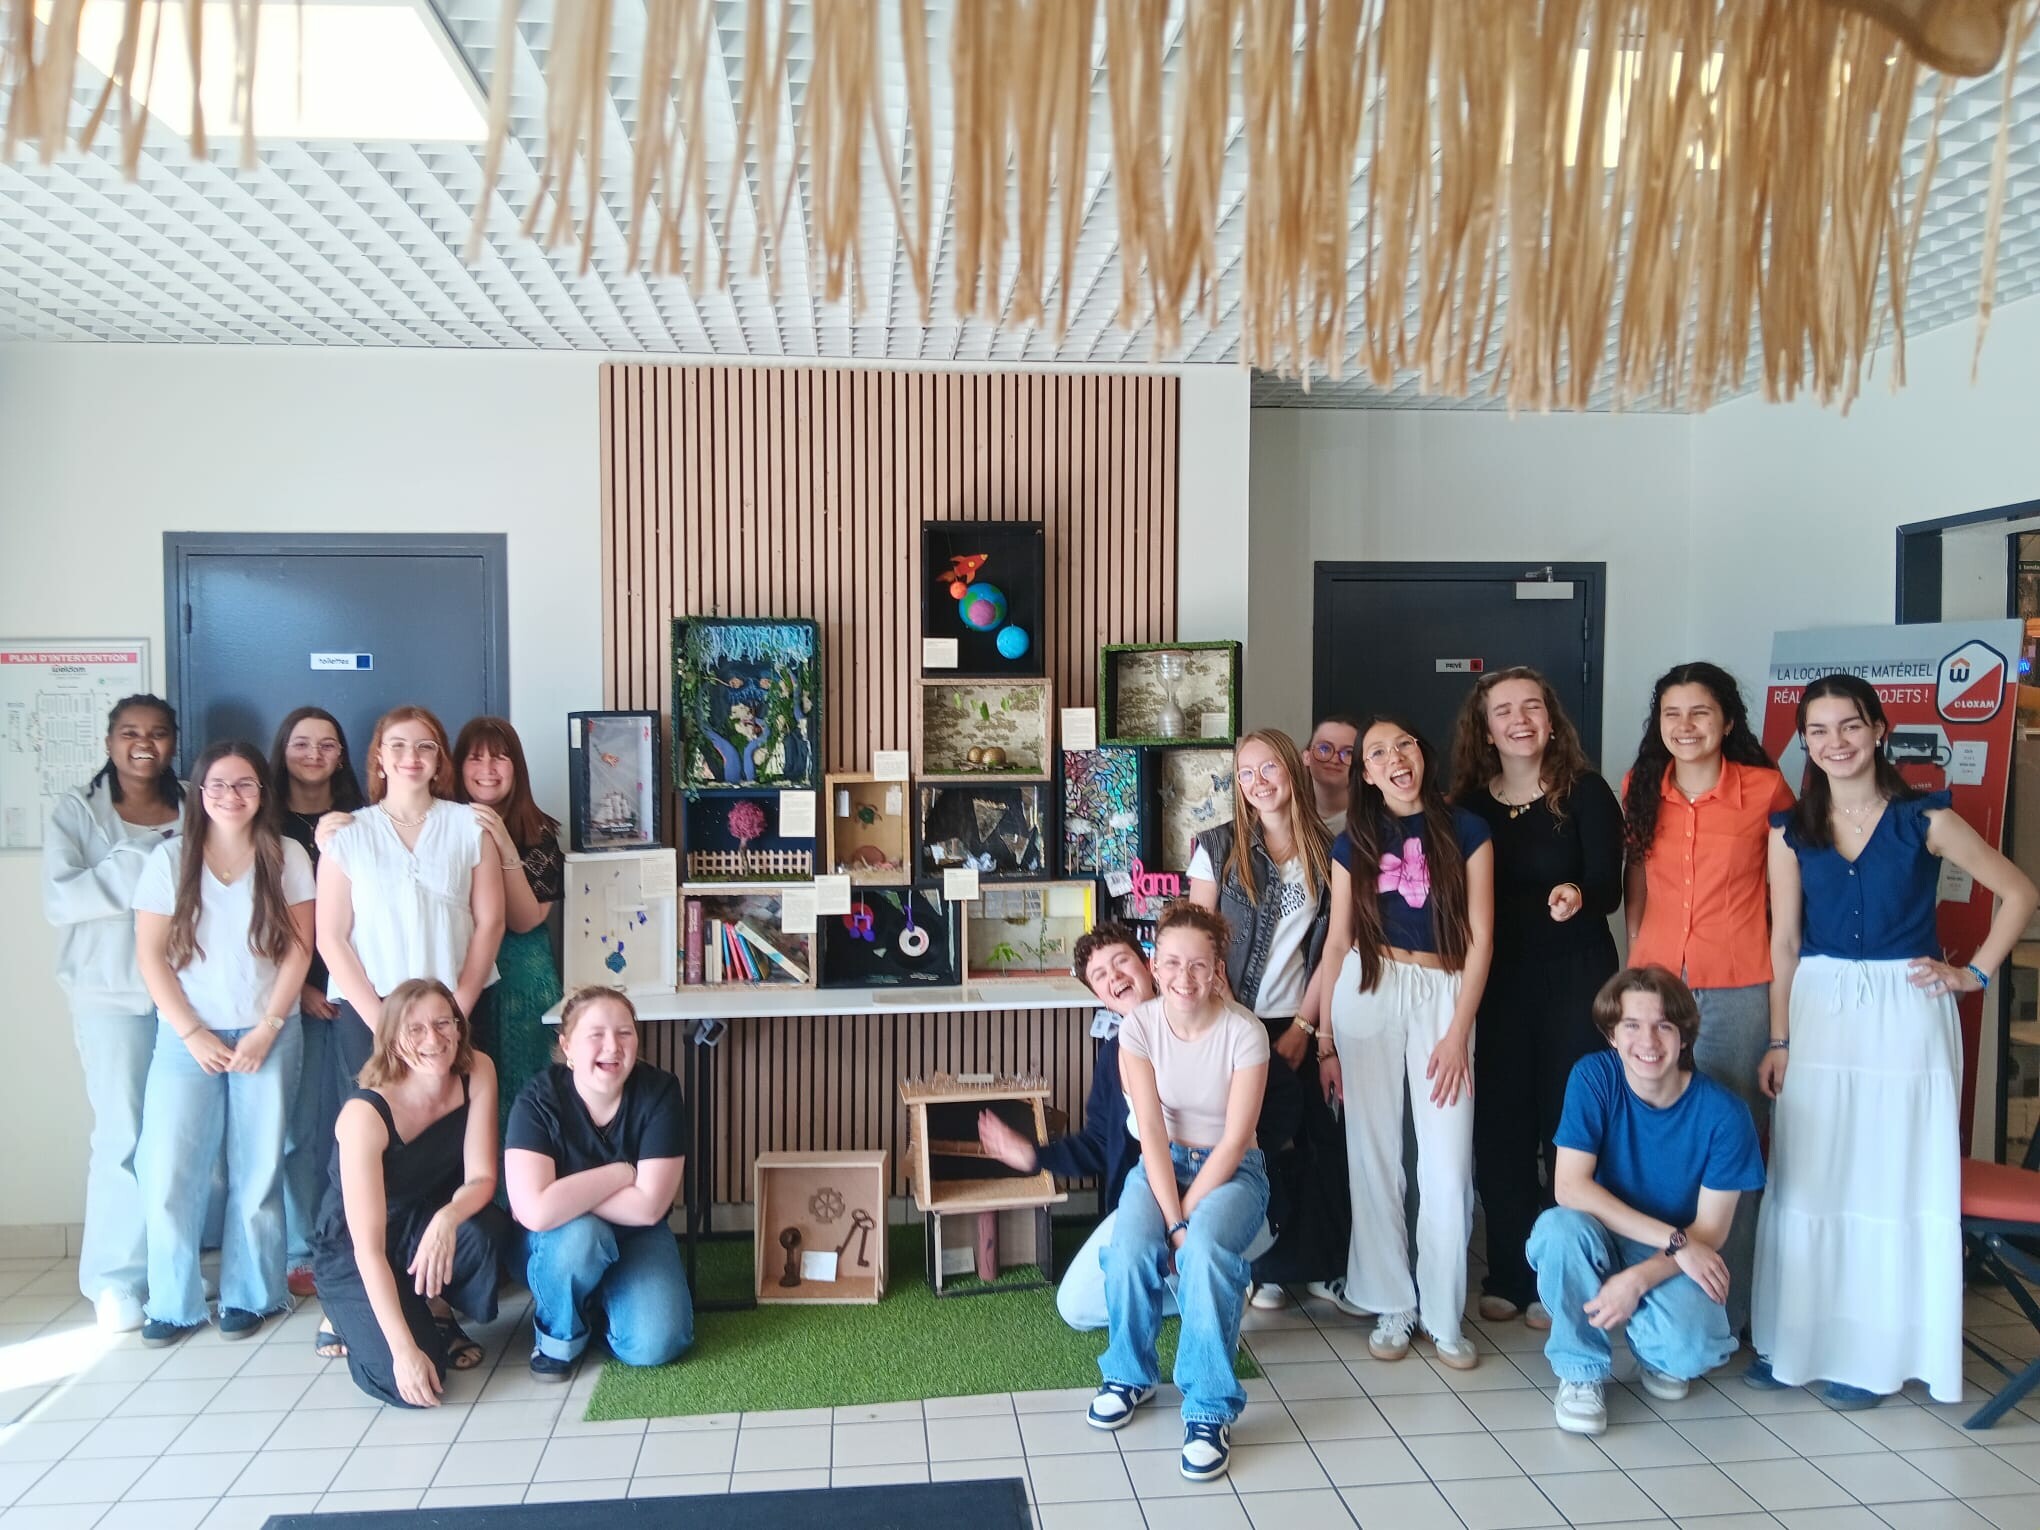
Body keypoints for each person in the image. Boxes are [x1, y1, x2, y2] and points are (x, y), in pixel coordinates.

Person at [1751, 675, 2038, 1406]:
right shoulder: (1790, 830)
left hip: (1906, 1012)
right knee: (1814, 1174)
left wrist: (1973, 973)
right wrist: (1780, 1039)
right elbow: (1784, 943)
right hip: (1819, 1006)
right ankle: (1797, 1340)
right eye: (1818, 730)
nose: (1835, 742)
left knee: (1890, 1176)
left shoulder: (1924, 819)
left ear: (1878, 730)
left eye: (1849, 726)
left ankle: (1875, 1354)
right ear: (1805, 742)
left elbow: (2020, 893)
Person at [1310, 715, 1493, 1370]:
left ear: (1422, 753)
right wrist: (1325, 1040)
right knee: (1373, 1154)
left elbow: (1482, 939)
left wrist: (1458, 1031)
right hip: (1369, 985)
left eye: (1404, 745)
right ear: (1365, 772)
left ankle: (1444, 1313)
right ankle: (1392, 1301)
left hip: (1445, 993)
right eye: (1378, 752)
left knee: (1447, 1163)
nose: (1395, 758)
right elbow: (1337, 943)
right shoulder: (1353, 840)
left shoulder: (1467, 829)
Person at [1620, 661, 1790, 1340]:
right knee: (1654, 1139)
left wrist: (1779, 1034)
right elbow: (1636, 889)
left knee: (1733, 1147)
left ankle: (1729, 1313)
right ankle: (1660, 1302)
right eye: (1672, 714)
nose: (1685, 726)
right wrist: (1635, 970)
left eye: (1700, 713)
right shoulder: (1640, 787)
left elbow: (1785, 910)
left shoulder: (1765, 790)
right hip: (1655, 992)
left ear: (1727, 721)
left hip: (1737, 988)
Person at [1451, 667, 1622, 1328]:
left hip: (1576, 979)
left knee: (1567, 1126)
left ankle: (1560, 1276)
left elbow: (1609, 885)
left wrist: (1578, 893)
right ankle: (1507, 1271)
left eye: (1531, 707)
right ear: (1486, 729)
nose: (1519, 720)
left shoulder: (1585, 792)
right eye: (1503, 711)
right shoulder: (1469, 805)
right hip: (1498, 984)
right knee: (1501, 1128)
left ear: (1551, 720)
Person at [1529, 967, 1764, 1436]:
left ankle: (1652, 1349)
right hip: (1599, 1235)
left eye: (1663, 1026)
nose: (1648, 1041)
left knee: (1691, 1351)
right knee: (1558, 1230)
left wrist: (1638, 1279)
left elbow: (1711, 1231)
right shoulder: (1594, 1077)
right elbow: (1569, 1188)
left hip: (1666, 1255)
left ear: (1685, 1036)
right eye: (1632, 1026)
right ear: (1612, 1035)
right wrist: (1678, 1241)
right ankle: (1580, 1371)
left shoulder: (1725, 1114)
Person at [132, 742, 315, 1344]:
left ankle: (253, 1294)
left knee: (259, 1168)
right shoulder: (169, 859)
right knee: (169, 1171)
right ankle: (172, 1302)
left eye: (244, 785)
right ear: (199, 793)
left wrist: (268, 1026)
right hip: (186, 1038)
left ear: (262, 792)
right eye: (217, 785)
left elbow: (300, 951)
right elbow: (151, 957)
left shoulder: (287, 855)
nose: (230, 796)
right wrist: (191, 1032)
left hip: (269, 1034)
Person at [1088, 902, 1269, 1484]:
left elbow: (1236, 1141)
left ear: (1217, 969)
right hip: (1161, 1163)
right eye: (1171, 963)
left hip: (1231, 1171)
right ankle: (1128, 1374)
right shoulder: (1137, 1029)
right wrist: (1171, 1220)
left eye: (1197, 965)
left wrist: (1184, 1224)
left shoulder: (1245, 1032)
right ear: (1154, 966)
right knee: (1130, 1247)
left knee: (1206, 1250)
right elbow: (1151, 1133)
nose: (1183, 977)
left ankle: (1209, 1409)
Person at [1187, 728, 1349, 1310]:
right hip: (1235, 1018)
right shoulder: (1217, 846)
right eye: (1246, 774)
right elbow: (1199, 940)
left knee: (1317, 1139)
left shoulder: (1332, 850)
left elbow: (1333, 947)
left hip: (1301, 1018)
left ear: (1293, 769)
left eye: (1269, 768)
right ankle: (1267, 1268)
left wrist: (1308, 1028)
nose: (1258, 783)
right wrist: (1236, 1023)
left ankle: (1323, 1266)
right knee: (1256, 1142)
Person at [42, 694, 185, 1331]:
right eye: (130, 732)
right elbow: (62, 900)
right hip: (111, 997)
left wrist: (125, 874)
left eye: (157, 733)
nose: (143, 744)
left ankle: (173, 1268)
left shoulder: (196, 802)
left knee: (179, 1136)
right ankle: (115, 1280)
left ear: (174, 741)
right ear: (109, 742)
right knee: (123, 1135)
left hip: (187, 995)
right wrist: (143, 865)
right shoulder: (77, 810)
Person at [310, 978, 510, 1407]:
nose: (433, 1040)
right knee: (414, 1381)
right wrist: (402, 1352)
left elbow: (481, 1178)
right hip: (354, 1249)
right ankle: (346, 1316)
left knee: (485, 1230)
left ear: (459, 1026)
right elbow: (367, 1248)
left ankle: (431, 1306)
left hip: (418, 1221)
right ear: (392, 1041)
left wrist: (447, 1218)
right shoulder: (364, 1116)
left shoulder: (477, 1070)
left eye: (443, 1024)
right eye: (415, 1030)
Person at [315, 705, 505, 1127]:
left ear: (439, 760)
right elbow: (330, 936)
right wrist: (383, 1024)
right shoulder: (346, 832)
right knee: (373, 1125)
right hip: (371, 1009)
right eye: (398, 746)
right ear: (379, 758)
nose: (412, 756)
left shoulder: (469, 825)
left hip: (458, 1004)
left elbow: (491, 922)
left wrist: (457, 1011)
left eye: (425, 747)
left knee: (457, 1124)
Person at [505, 987, 690, 1380]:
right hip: (558, 1241)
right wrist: (621, 1173)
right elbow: (534, 1213)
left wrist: (560, 1193)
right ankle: (559, 1337)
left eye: (625, 1033)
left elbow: (649, 1208)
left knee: (657, 1343)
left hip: (636, 1235)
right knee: (582, 1236)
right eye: (596, 1035)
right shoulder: (537, 1100)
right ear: (567, 1046)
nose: (613, 1046)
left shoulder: (659, 1092)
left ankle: (597, 1309)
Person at [270, 706, 366, 1298]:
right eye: (302, 743)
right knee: (300, 1131)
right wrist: (300, 988)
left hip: (356, 993)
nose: (314, 754)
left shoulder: (360, 819)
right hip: (291, 998)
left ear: (342, 755)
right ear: (282, 749)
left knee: (355, 1124)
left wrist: (348, 984)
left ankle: (356, 1239)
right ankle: (302, 1249)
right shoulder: (262, 821)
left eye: (327, 744)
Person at [454, 716, 565, 1132]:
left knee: (526, 1093)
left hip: (523, 979)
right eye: (475, 758)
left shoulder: (540, 831)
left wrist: (502, 841)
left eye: (499, 758)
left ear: (516, 766)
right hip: (460, 972)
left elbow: (525, 920)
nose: (487, 769)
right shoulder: (441, 824)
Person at [1304, 715, 1361, 835]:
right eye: (1324, 749)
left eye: (1348, 752)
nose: (1334, 760)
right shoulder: (1286, 817)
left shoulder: (1375, 824)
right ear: (1306, 757)